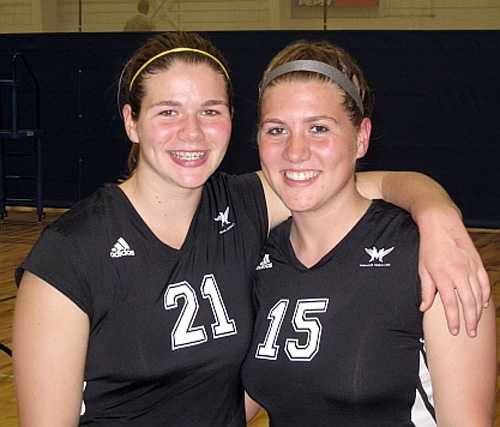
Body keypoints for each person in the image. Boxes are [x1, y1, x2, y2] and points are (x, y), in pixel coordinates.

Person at [12, 32, 490, 426]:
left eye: (210, 111)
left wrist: (436, 214)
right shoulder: (71, 252)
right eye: (168, 111)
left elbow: (358, 182)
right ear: (131, 122)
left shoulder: (241, 210)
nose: (192, 132)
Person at [242, 40, 496, 426]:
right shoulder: (259, 258)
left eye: (319, 128)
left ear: (361, 137)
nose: (295, 151)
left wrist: (434, 209)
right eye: (277, 130)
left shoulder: (430, 260)